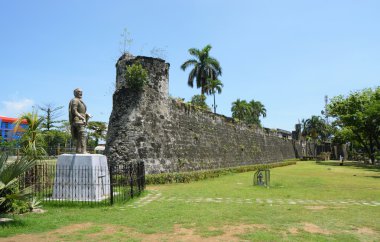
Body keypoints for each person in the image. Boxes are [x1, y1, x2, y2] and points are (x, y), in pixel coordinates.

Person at [69, 88, 91, 154]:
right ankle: (83, 151)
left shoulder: (80, 100)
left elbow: (81, 111)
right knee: (83, 134)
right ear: (75, 93)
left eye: (81, 92)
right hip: (77, 120)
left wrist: (86, 115)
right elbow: (74, 111)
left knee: (79, 135)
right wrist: (81, 117)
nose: (80, 93)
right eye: (79, 92)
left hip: (81, 119)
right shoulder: (75, 100)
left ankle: (78, 150)